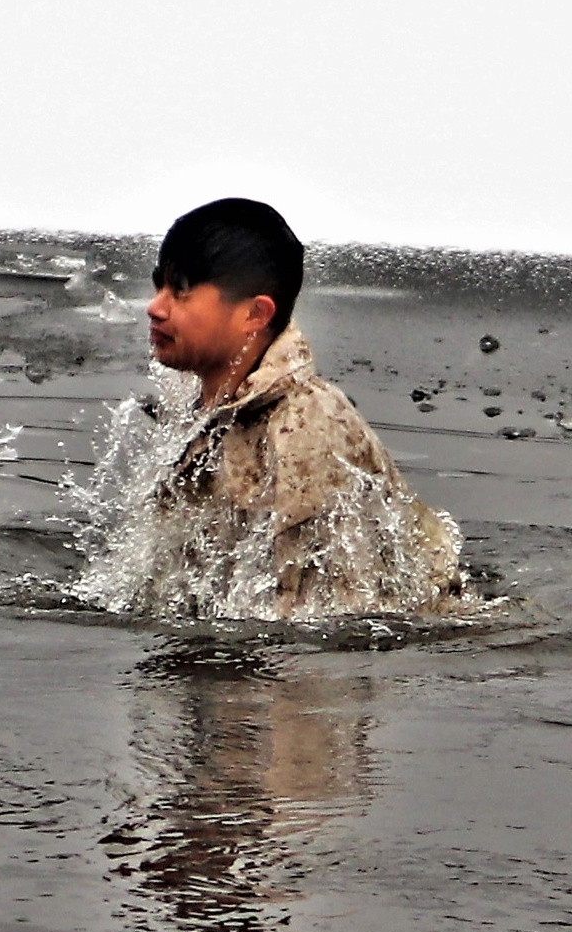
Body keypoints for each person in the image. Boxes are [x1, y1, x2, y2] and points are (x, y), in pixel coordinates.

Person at [134, 196, 463, 622]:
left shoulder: (306, 428)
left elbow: (327, 615)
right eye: (159, 285)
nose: (155, 306)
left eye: (180, 290)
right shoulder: (211, 408)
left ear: (255, 314)